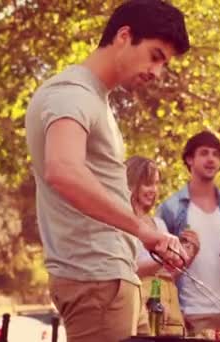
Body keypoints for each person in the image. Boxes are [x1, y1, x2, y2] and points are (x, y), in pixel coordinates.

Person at [24, 1, 190, 341]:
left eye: (164, 64)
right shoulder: (72, 93)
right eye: (155, 56)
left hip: (113, 279)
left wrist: (149, 239)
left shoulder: (95, 99)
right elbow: (64, 170)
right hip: (95, 280)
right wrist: (143, 229)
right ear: (124, 36)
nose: (157, 73)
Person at [157, 131, 220, 334]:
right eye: (204, 153)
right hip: (189, 312)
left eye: (216, 154)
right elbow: (159, 266)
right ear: (190, 159)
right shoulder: (170, 208)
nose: (211, 159)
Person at [125, 156, 198, 336]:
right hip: (141, 302)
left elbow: (169, 275)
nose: (154, 190)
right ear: (132, 183)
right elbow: (128, 269)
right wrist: (162, 257)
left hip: (169, 302)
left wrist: (189, 254)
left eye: (157, 184)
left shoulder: (159, 224)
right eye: (148, 184)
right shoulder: (125, 222)